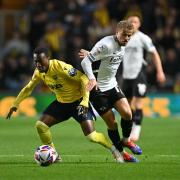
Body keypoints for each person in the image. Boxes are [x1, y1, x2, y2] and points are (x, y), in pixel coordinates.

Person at [6, 46, 125, 163]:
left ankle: (114, 150)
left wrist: (84, 101)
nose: (38, 65)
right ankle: (54, 155)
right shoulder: (38, 72)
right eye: (36, 62)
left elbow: (83, 79)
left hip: (78, 103)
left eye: (41, 62)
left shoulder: (60, 67)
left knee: (92, 136)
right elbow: (28, 88)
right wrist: (15, 103)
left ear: (48, 58)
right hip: (61, 103)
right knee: (40, 125)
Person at [79, 20, 142, 163]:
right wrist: (91, 79)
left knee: (127, 113)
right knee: (112, 124)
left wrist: (92, 54)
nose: (127, 38)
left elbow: (105, 57)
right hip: (98, 90)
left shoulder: (123, 43)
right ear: (117, 32)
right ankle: (121, 153)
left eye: (129, 36)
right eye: (124, 35)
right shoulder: (105, 44)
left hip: (112, 85)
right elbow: (85, 62)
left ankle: (126, 140)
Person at [122, 15, 166, 141]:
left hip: (138, 74)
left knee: (138, 103)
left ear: (139, 24)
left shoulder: (143, 38)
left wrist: (160, 71)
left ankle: (137, 130)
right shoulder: (124, 38)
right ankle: (129, 129)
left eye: (135, 22)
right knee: (127, 107)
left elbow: (155, 53)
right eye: (130, 22)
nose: (133, 24)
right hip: (126, 76)